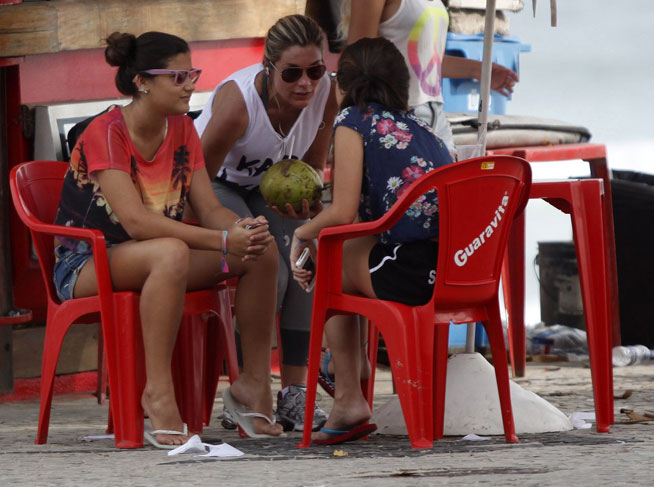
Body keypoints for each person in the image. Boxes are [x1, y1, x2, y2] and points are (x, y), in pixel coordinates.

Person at [54, 31, 284, 447]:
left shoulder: (182, 129)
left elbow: (210, 207)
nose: (191, 85)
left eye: (191, 74)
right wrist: (218, 239)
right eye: (177, 77)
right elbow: (138, 223)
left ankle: (251, 386)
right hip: (87, 263)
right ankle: (157, 393)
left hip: (157, 257)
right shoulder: (106, 132)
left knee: (259, 252)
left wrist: (237, 229)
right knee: (171, 252)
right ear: (142, 81)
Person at [289, 36, 454, 445]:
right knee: (342, 250)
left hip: (412, 274)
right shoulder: (422, 126)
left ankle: (349, 394)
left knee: (328, 254)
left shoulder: (352, 122)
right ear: (401, 83)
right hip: (454, 270)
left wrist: (302, 233)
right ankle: (352, 368)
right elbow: (369, 218)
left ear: (341, 85)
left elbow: (343, 213)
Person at [194, 14, 336, 432]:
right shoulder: (238, 105)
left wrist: (306, 216)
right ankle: (246, 384)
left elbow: (311, 169)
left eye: (315, 70)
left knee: (307, 253)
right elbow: (196, 183)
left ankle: (294, 391)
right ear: (268, 68)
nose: (305, 83)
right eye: (292, 73)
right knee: (262, 254)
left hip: (270, 185)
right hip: (216, 184)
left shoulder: (327, 93)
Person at [341, 0, 519, 156]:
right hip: (395, 112)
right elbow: (358, 59)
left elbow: (428, 59)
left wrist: (479, 70)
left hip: (436, 112)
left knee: (446, 189)